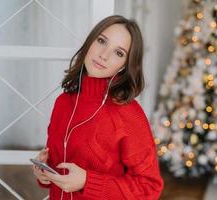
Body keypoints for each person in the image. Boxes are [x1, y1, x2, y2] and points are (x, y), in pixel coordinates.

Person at [31, 15, 164, 200]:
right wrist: (45, 173)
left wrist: (88, 182)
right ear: (90, 41)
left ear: (125, 66)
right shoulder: (63, 102)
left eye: (119, 53)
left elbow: (150, 187)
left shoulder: (129, 115)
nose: (104, 55)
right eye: (101, 41)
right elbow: (61, 168)